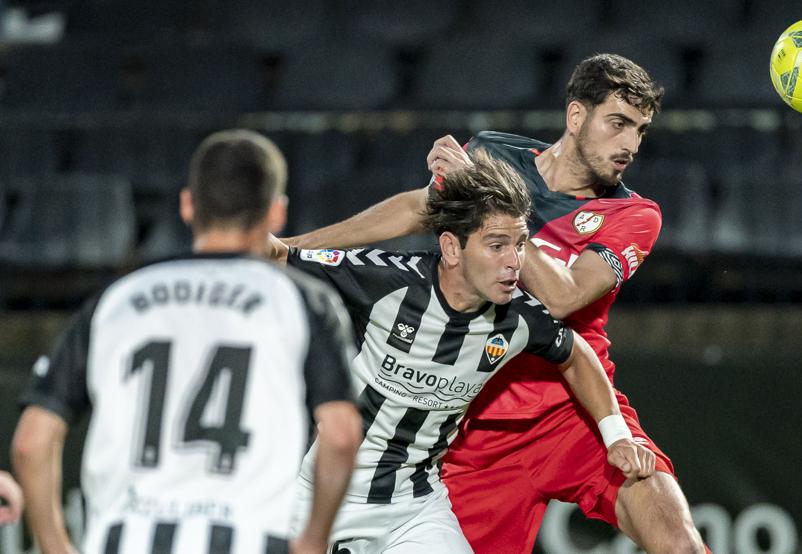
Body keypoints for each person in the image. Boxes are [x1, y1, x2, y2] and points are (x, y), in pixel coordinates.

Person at [281, 54, 707, 553]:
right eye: (618, 124)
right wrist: (289, 250)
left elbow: (564, 296)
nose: (630, 145)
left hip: (573, 414)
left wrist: (486, 197)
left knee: (680, 544)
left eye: (640, 130)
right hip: (475, 431)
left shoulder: (633, 214)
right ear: (576, 117)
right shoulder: (492, 152)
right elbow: (418, 209)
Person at [267, 150, 655, 553]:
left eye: (520, 244)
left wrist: (617, 437)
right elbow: (278, 257)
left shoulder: (520, 316)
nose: (514, 263)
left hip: (413, 508)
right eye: (497, 245)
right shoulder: (385, 280)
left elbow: (576, 354)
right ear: (452, 248)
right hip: (320, 495)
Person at [11, 129, 362, 554]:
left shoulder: (118, 299)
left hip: (126, 541)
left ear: (187, 205)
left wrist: (56, 547)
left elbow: (32, 441)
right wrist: (313, 540)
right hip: (248, 540)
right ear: (276, 214)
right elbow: (341, 436)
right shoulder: (301, 301)